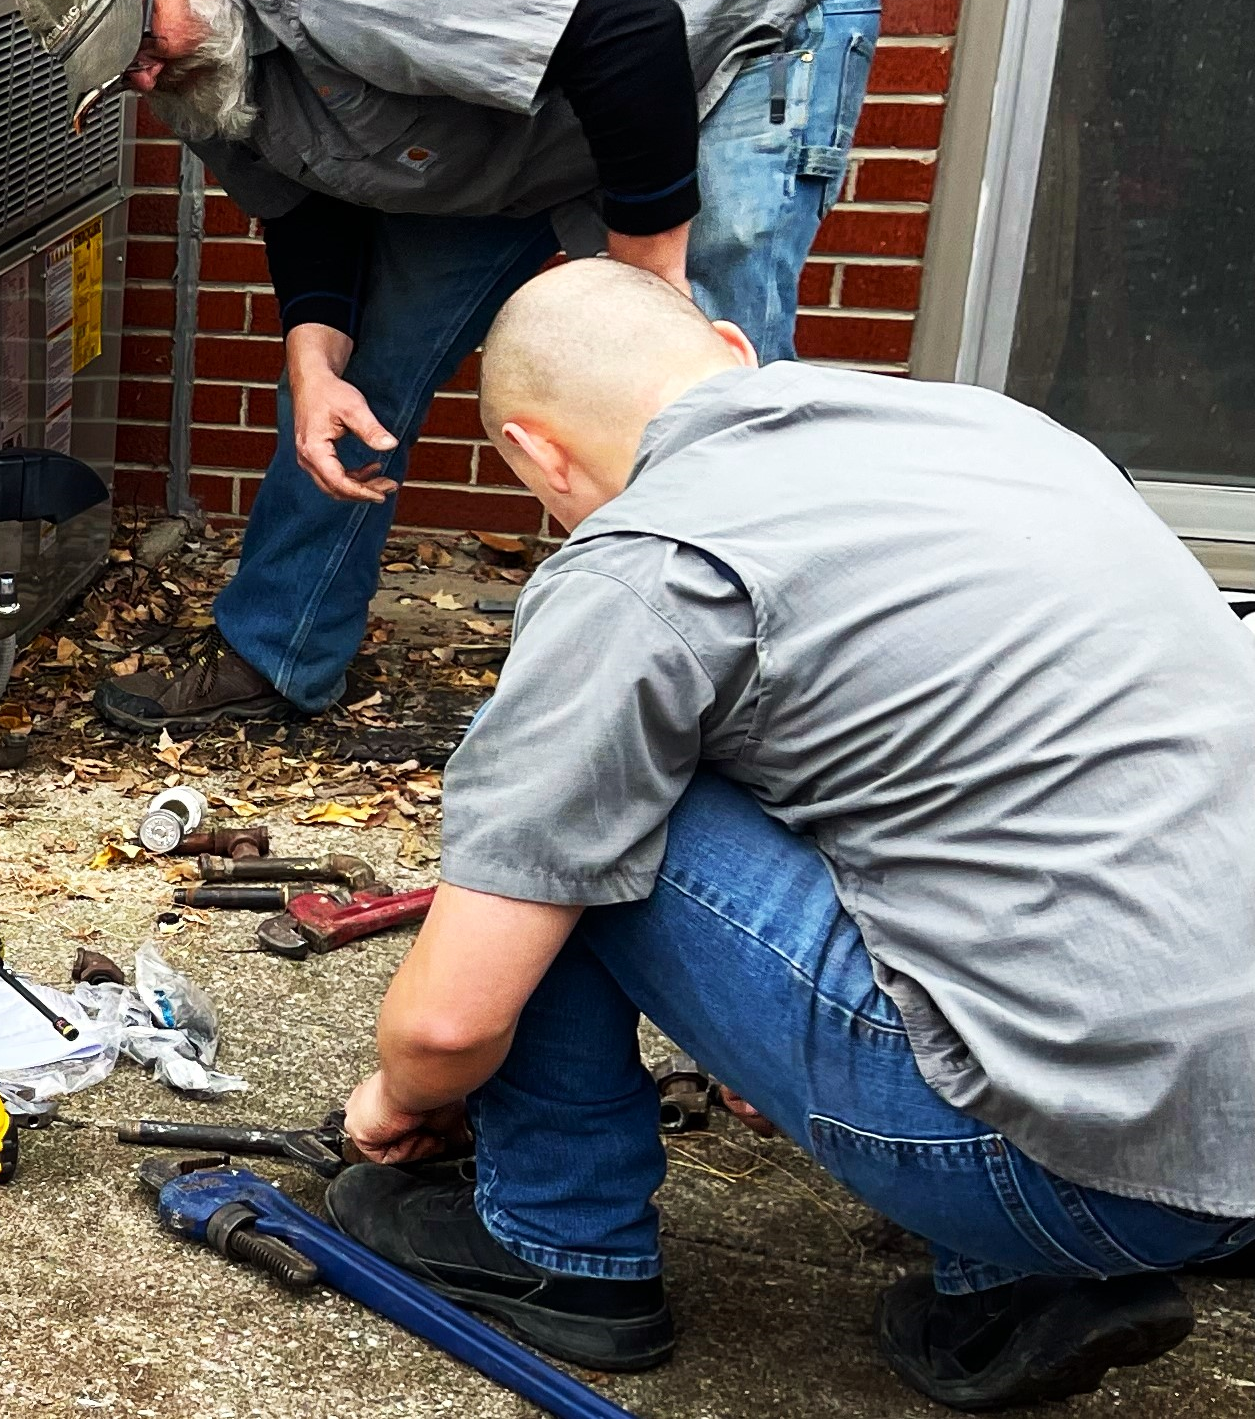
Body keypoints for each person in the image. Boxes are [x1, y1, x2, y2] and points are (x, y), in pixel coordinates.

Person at [325, 259, 1255, 1409]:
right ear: (729, 345)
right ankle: (1014, 1278)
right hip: (1236, 1146)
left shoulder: (646, 564)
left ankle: (560, 1246)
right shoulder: (995, 430)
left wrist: (398, 1098)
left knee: (582, 784)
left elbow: (452, 1020)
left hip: (1071, 1171)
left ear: (540, 453)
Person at [9, 0, 879, 734]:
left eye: (139, 41)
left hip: (737, 9)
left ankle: (747, 703)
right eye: (116, 69)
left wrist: (641, 293)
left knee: (693, 379)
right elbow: (307, 198)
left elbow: (629, 37)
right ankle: (279, 652)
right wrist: (313, 360)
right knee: (355, 372)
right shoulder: (191, 56)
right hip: (546, 90)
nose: (140, 74)